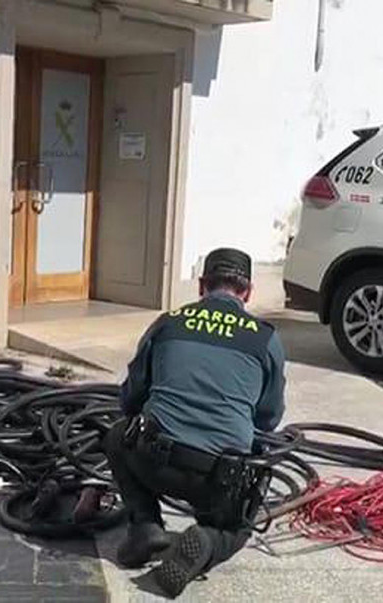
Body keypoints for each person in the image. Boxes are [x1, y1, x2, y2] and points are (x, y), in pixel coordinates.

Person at [103, 247, 286, 598]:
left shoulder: (168, 322)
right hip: (217, 478)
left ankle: (145, 525)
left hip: (154, 463)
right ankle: (209, 539)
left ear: (202, 285)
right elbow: (269, 418)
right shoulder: (265, 338)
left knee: (116, 436)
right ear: (247, 292)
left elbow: (130, 399)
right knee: (247, 506)